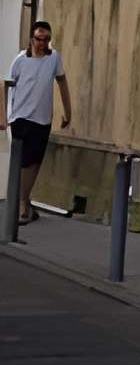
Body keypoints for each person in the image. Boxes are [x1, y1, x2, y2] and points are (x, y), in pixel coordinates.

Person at [5, 21, 71, 225]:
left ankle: (25, 202)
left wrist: (68, 112)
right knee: (23, 161)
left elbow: (62, 81)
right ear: (31, 39)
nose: (42, 43)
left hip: (42, 119)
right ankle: (22, 204)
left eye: (46, 39)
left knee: (34, 162)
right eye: (38, 39)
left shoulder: (54, 59)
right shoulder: (20, 60)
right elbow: (5, 84)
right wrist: (4, 116)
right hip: (20, 116)